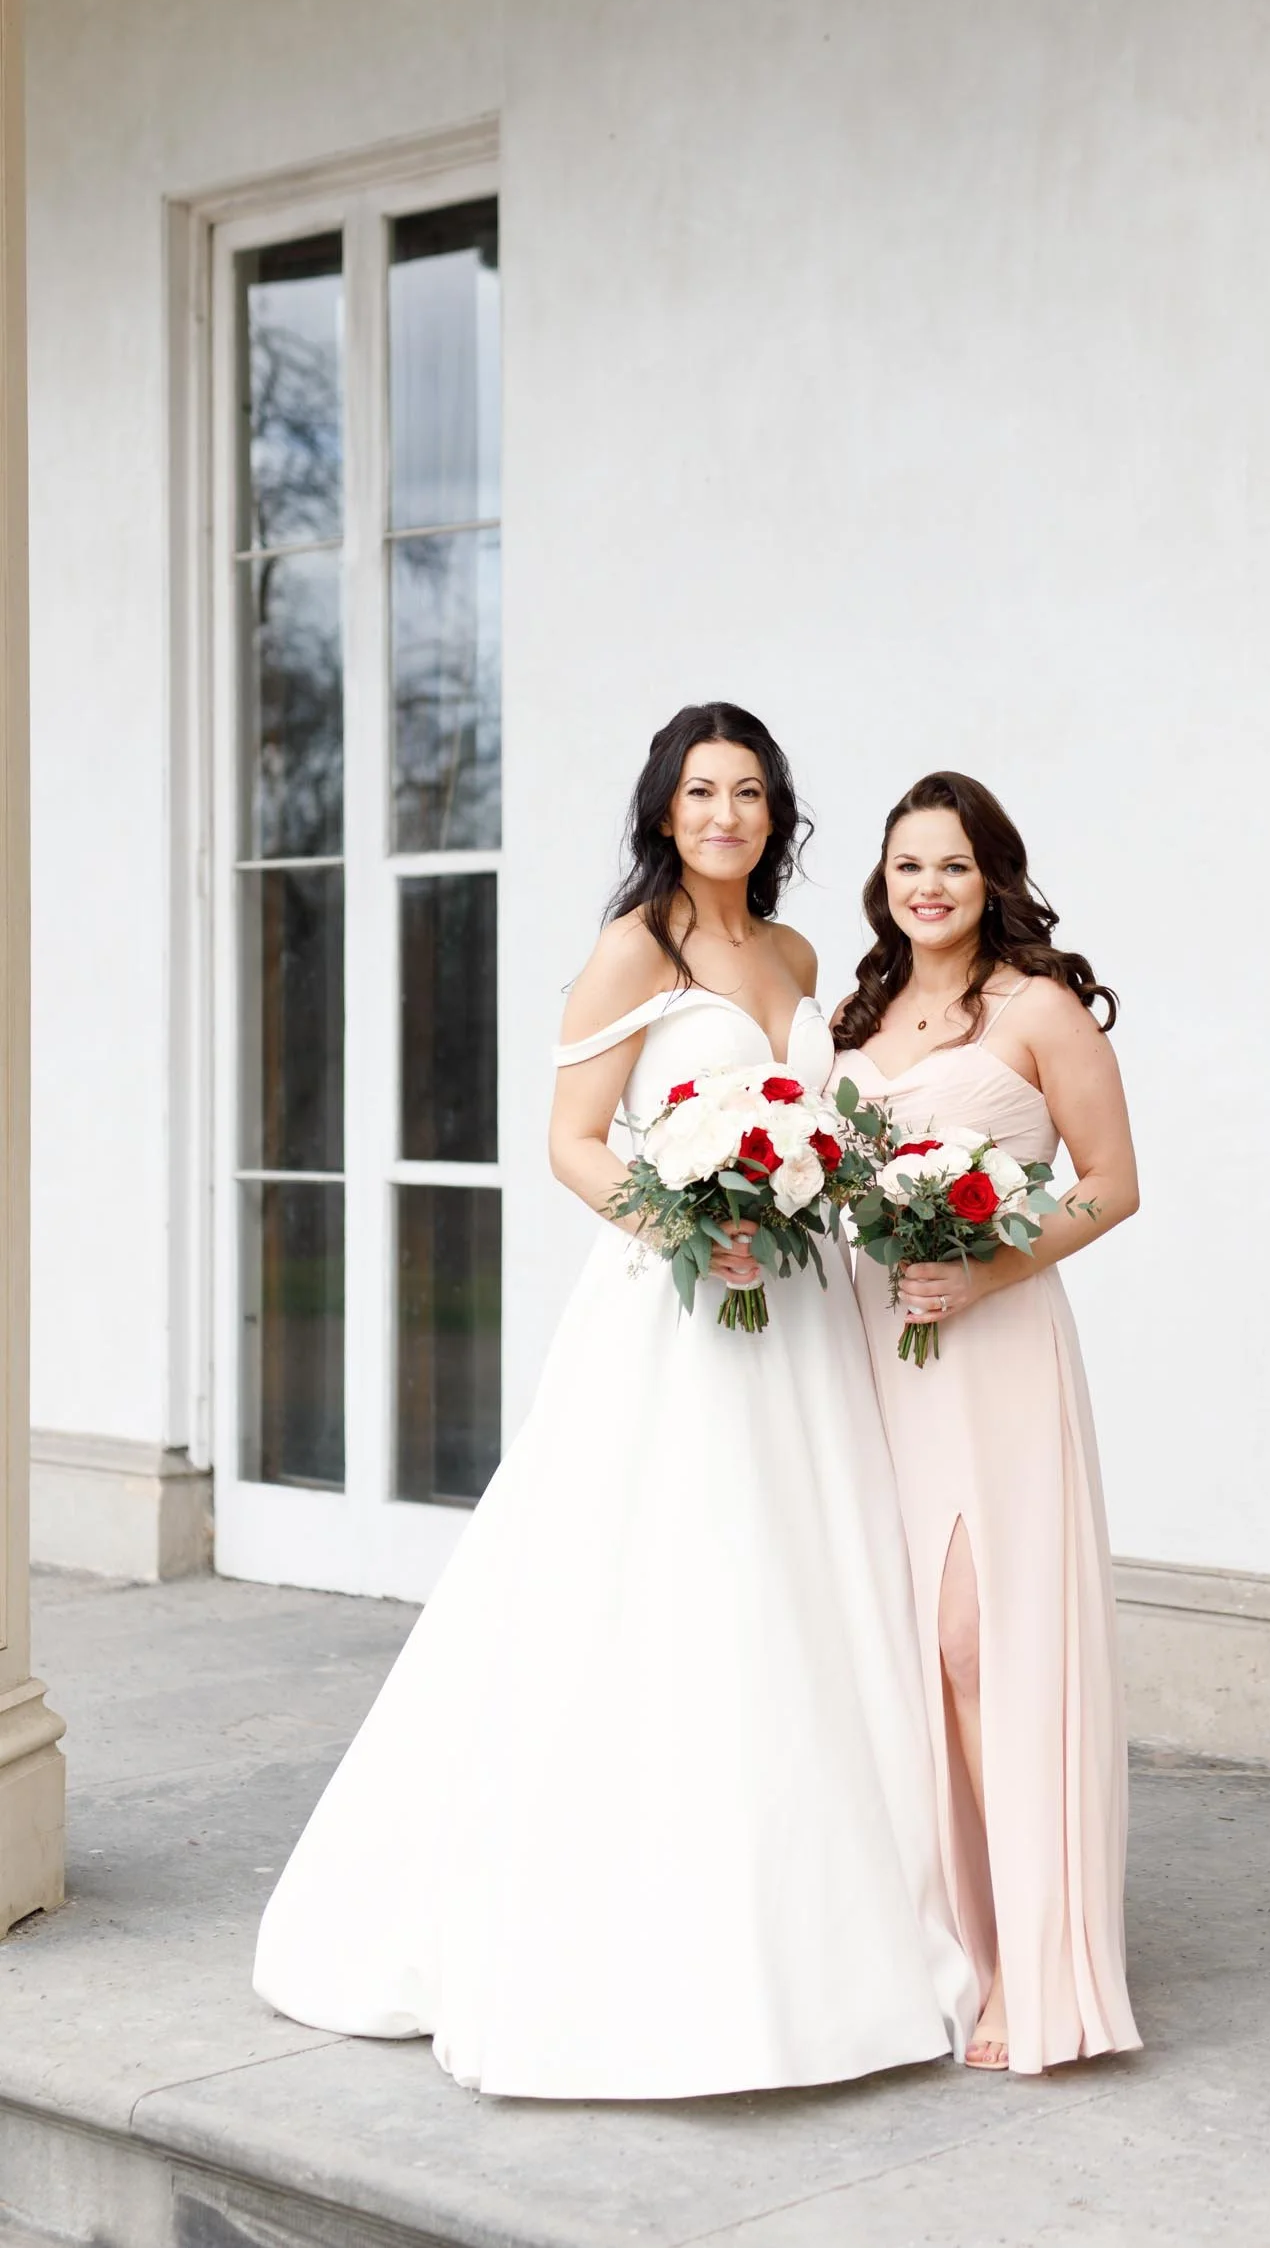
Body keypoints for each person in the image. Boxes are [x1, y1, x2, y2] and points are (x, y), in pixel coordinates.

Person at [253, 705, 974, 2098]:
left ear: (777, 818)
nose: (726, 813)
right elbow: (572, 1144)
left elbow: (815, 1121)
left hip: (801, 1317)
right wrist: (687, 1225)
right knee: (667, 1590)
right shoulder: (630, 951)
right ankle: (652, 1939)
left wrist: (811, 1193)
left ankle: (829, 1924)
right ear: (661, 809)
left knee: (803, 1593)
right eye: (701, 791)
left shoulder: (796, 954)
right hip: (677, 1315)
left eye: (750, 792)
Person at [833, 771, 1142, 2074]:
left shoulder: (1036, 1007)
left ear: (991, 876)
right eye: (908, 865)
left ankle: (1033, 1962)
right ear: (882, 882)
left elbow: (1113, 1185)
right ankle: (944, 1949)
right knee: (896, 1648)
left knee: (979, 1644)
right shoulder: (857, 1014)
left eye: (952, 866)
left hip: (990, 1347)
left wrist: (984, 1266)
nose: (929, 888)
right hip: (866, 1354)